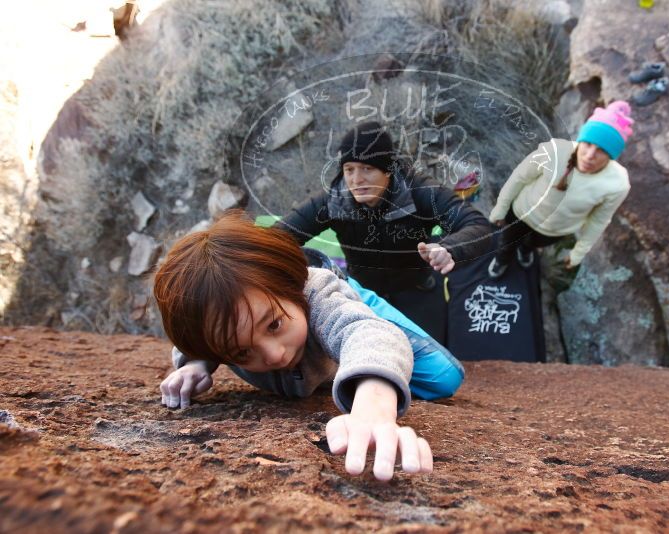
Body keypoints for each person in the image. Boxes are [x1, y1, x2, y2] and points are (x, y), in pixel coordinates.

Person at [153, 212, 464, 481]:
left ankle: (358, 297)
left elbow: (365, 333)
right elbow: (196, 340)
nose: (275, 354)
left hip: (342, 304)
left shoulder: (316, 297)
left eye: (273, 324)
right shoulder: (216, 334)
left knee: (443, 377)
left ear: (293, 291)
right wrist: (195, 364)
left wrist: (373, 406)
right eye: (241, 352)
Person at [274, 121, 492, 342]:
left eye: (367, 169)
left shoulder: (420, 191)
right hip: (363, 298)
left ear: (388, 170)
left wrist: (449, 248)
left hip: (418, 295)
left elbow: (478, 225)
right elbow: (276, 238)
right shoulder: (332, 201)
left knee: (433, 372)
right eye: (349, 169)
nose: (356, 180)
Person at [487, 101, 634, 278]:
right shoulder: (554, 151)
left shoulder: (617, 184)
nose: (589, 156)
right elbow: (520, 177)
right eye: (588, 144)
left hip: (554, 231)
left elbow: (598, 220)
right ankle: (502, 260)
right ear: (581, 140)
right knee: (507, 241)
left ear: (611, 156)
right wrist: (501, 207)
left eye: (601, 150)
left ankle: (525, 251)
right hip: (521, 213)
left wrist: (578, 252)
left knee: (531, 244)